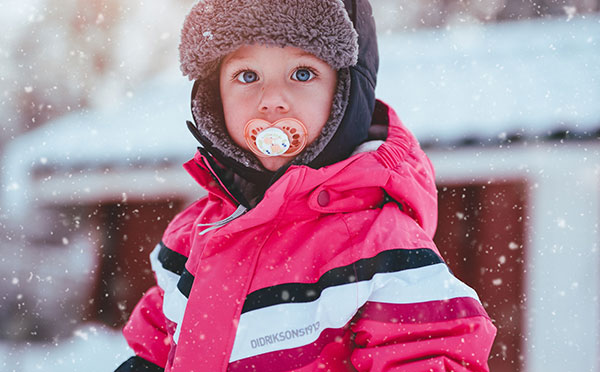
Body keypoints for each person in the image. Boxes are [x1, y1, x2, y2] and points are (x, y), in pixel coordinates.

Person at [115, 0, 496, 371]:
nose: (272, 100)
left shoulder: (380, 248)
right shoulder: (193, 236)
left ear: (344, 93)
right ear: (214, 97)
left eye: (302, 74)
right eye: (247, 76)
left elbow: (427, 354)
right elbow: (158, 343)